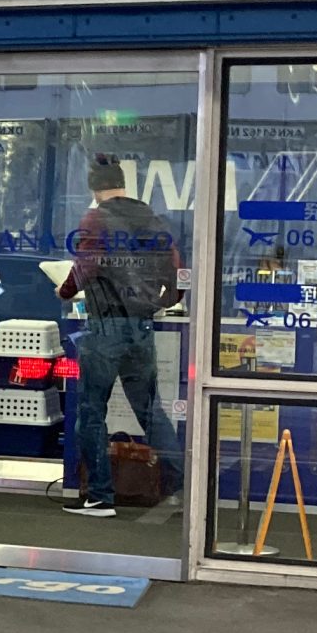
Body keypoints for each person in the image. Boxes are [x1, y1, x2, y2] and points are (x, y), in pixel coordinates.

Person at [58, 155, 184, 517]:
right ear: (123, 184)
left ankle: (100, 496)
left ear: (94, 189)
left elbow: (85, 267)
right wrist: (162, 302)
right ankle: (181, 487)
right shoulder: (149, 217)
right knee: (150, 411)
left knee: (91, 412)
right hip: (141, 328)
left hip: (106, 328)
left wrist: (64, 293)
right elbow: (176, 269)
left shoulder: (96, 217)